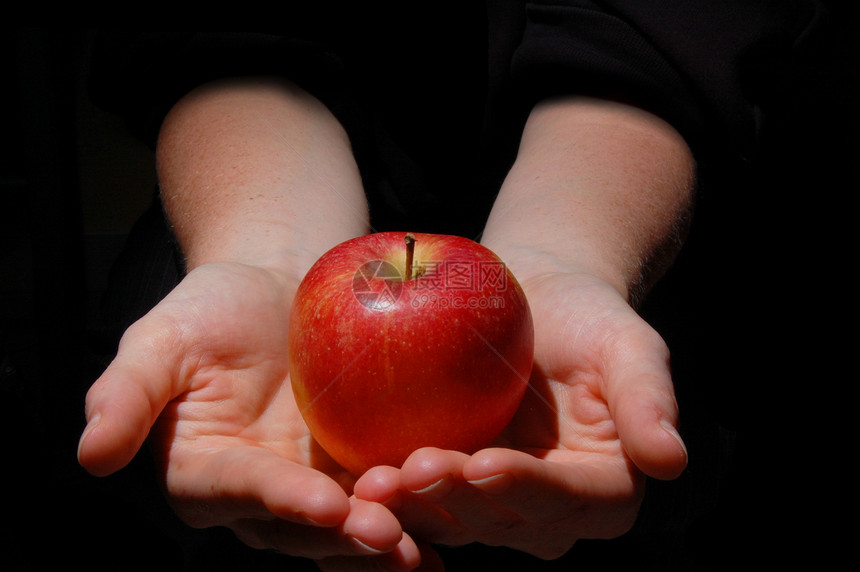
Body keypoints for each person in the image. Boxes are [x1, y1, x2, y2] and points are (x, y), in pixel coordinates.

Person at [76, 3, 842, 570]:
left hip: (615, 175)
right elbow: (214, 36)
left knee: (692, 419)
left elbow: (656, 33)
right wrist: (259, 253)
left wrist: (571, 254)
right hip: (274, 168)